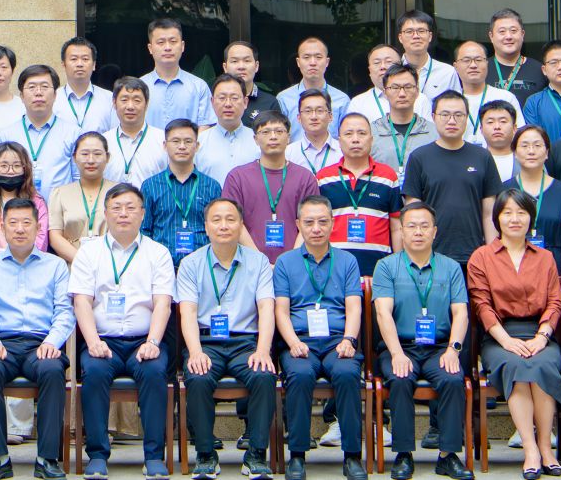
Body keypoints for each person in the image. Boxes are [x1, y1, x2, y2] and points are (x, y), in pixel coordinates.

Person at [69, 185, 174, 480]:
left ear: (142, 213)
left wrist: (153, 341)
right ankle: (97, 455)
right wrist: (93, 342)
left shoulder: (158, 253)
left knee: (155, 372)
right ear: (106, 213)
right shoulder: (89, 252)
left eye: (130, 207)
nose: (123, 214)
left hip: (145, 340)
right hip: (103, 341)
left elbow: (163, 303)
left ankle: (154, 456)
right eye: (116, 208)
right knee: (94, 372)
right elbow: (81, 301)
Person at [468, 188, 561, 480]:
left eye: (521, 213)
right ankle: (530, 449)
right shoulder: (482, 257)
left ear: (530, 218)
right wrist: (507, 341)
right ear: (497, 218)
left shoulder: (545, 257)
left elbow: (555, 301)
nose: (514, 219)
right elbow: (481, 305)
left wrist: (542, 337)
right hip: (499, 335)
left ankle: (546, 446)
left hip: (539, 332)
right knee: (516, 365)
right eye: (507, 213)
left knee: (543, 364)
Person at [174, 198, 276, 480]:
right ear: (206, 227)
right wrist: (195, 352)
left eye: (231, 219)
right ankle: (206, 454)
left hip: (246, 342)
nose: (224, 225)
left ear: (241, 225)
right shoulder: (191, 263)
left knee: (264, 375)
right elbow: (188, 312)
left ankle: (256, 454)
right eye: (216, 220)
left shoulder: (258, 262)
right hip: (206, 342)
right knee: (198, 377)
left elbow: (266, 308)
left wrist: (263, 350)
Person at [0, 199, 74, 480]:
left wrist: (52, 342)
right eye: (13, 223)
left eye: (26, 223)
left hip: (41, 344)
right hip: (2, 343)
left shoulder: (55, 266)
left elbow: (64, 312)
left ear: (38, 227)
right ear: (2, 228)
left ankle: (47, 458)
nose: (19, 229)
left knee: (52, 370)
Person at [372, 203, 473, 480]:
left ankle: (448, 456)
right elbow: (383, 313)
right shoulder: (387, 266)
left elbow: (461, 313)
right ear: (401, 231)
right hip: (400, 346)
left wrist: (453, 350)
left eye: (424, 226)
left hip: (439, 347)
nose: (418, 232)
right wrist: (396, 354)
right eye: (412, 226)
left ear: (435, 231)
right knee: (400, 378)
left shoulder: (451, 267)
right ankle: (403, 454)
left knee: (452, 378)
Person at [272, 196, 365, 480]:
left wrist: (349, 339)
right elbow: (281, 310)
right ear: (298, 224)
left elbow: (354, 307)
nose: (316, 228)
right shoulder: (285, 262)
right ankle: (297, 455)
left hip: (338, 341)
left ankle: (352, 456)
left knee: (347, 374)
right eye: (309, 222)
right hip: (300, 341)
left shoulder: (347, 261)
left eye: (323, 222)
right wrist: (292, 342)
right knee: (300, 376)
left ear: (333, 224)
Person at [400, 92, 502, 267]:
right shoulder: (419, 157)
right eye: (445, 114)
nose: (452, 121)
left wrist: (491, 254)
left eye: (458, 115)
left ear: (467, 118)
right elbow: (412, 212)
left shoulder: (482, 156)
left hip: (474, 255)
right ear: (433, 117)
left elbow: (489, 213)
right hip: (430, 256)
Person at [218, 112, 321, 260]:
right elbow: (232, 220)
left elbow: (310, 222)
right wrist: (259, 261)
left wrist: (290, 261)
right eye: (265, 132)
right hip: (248, 262)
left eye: (279, 131)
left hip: (296, 262)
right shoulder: (237, 177)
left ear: (288, 137)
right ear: (255, 139)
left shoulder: (305, 178)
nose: (273, 137)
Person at [318, 112, 401, 273]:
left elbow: (396, 226)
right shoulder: (323, 178)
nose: (355, 139)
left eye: (362, 133)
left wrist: (398, 267)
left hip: (380, 271)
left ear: (371, 139)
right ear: (339, 140)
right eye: (348, 134)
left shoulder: (388, 177)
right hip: (334, 270)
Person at [142, 119, 223, 261]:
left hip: (202, 265)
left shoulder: (211, 186)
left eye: (188, 141)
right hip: (161, 265)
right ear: (165, 145)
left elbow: (218, 229)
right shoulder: (150, 186)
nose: (182, 146)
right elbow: (144, 230)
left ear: (197, 146)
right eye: (175, 141)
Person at [0, 64, 80, 190]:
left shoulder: (73, 133)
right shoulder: (6, 135)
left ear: (55, 95)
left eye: (45, 87)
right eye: (31, 87)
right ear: (22, 96)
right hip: (18, 202)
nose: (38, 93)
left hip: (60, 203)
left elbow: (78, 178)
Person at [505, 126, 561, 260]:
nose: (531, 151)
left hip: (554, 264)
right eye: (524, 146)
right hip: (513, 263)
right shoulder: (505, 190)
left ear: (547, 152)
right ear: (515, 152)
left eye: (537, 145)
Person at [0, 141, 50, 263]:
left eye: (17, 166)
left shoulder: (37, 202)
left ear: (25, 168)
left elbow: (41, 238)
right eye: (4, 166)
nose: (10, 171)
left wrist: (23, 262)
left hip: (30, 266)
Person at [49, 132, 121, 260]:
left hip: (112, 263)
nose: (91, 160)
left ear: (107, 157)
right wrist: (82, 262)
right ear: (74, 157)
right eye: (85, 154)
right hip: (72, 264)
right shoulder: (60, 193)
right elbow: (55, 237)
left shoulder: (120, 192)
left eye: (97, 154)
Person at [141, 17, 215, 127]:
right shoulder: (140, 87)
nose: (167, 47)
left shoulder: (199, 87)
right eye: (161, 42)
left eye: (173, 41)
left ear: (182, 46)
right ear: (150, 48)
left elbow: (205, 128)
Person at [368, 64, 435, 173]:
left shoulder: (433, 132)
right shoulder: (371, 132)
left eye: (408, 87)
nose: (402, 94)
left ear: (417, 91)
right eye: (395, 88)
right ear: (385, 93)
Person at [450, 40, 522, 138]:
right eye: (466, 60)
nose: (473, 65)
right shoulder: (449, 101)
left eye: (478, 60)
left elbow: (519, 136)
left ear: (486, 63)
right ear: (455, 66)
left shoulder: (505, 97)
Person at [197, 74, 262, 179]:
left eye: (234, 98)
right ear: (212, 102)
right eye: (222, 98)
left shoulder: (259, 141)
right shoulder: (199, 142)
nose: (228, 104)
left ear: (245, 102)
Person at [277, 37, 350, 125]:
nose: (312, 63)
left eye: (318, 57)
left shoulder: (342, 100)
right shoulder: (283, 99)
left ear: (327, 62)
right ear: (298, 62)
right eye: (306, 57)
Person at [55, 37, 119, 134]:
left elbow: (115, 134)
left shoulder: (109, 99)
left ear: (94, 65)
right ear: (64, 65)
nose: (79, 64)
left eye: (85, 59)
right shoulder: (53, 99)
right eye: (74, 59)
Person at [221, 41, 285, 130]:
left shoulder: (270, 103)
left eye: (247, 61)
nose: (241, 66)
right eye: (234, 61)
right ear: (225, 67)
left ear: (256, 66)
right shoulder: (216, 101)